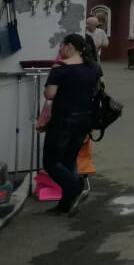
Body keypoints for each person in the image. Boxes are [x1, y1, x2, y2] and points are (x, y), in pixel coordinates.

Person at [40, 34, 101, 216]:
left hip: (63, 120)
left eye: (61, 46)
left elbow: (50, 94)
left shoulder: (60, 68)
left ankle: (75, 188)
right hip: (84, 120)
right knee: (68, 160)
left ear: (69, 47)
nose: (59, 49)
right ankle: (65, 204)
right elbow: (99, 87)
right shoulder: (93, 68)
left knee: (50, 162)